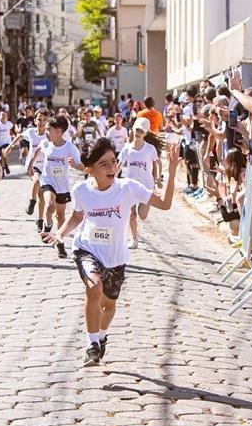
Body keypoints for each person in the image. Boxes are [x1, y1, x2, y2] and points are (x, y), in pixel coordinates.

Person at [41, 137, 180, 366]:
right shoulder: (81, 190)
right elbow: (77, 217)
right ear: (90, 169)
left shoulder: (128, 188)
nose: (112, 167)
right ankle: (92, 345)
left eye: (113, 161)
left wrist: (172, 171)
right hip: (87, 249)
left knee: (109, 305)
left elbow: (164, 204)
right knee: (94, 288)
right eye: (104, 164)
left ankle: (102, 335)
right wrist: (60, 234)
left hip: (115, 257)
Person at [28, 115, 84, 258]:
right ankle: (47, 225)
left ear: (59, 132)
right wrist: (31, 165)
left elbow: (83, 167)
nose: (46, 132)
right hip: (48, 181)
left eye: (49, 130)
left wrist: (75, 165)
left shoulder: (70, 147)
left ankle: (59, 242)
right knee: (49, 205)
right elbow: (37, 151)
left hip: (62, 186)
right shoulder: (46, 143)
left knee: (60, 215)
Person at [119, 117, 161, 249]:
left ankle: (146, 205)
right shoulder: (127, 148)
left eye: (141, 131)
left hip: (146, 186)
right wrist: (111, 180)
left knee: (142, 215)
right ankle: (134, 239)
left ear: (145, 133)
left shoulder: (150, 149)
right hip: (131, 186)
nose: (138, 133)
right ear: (132, 130)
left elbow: (158, 163)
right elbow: (119, 166)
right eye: (137, 130)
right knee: (131, 214)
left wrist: (158, 179)